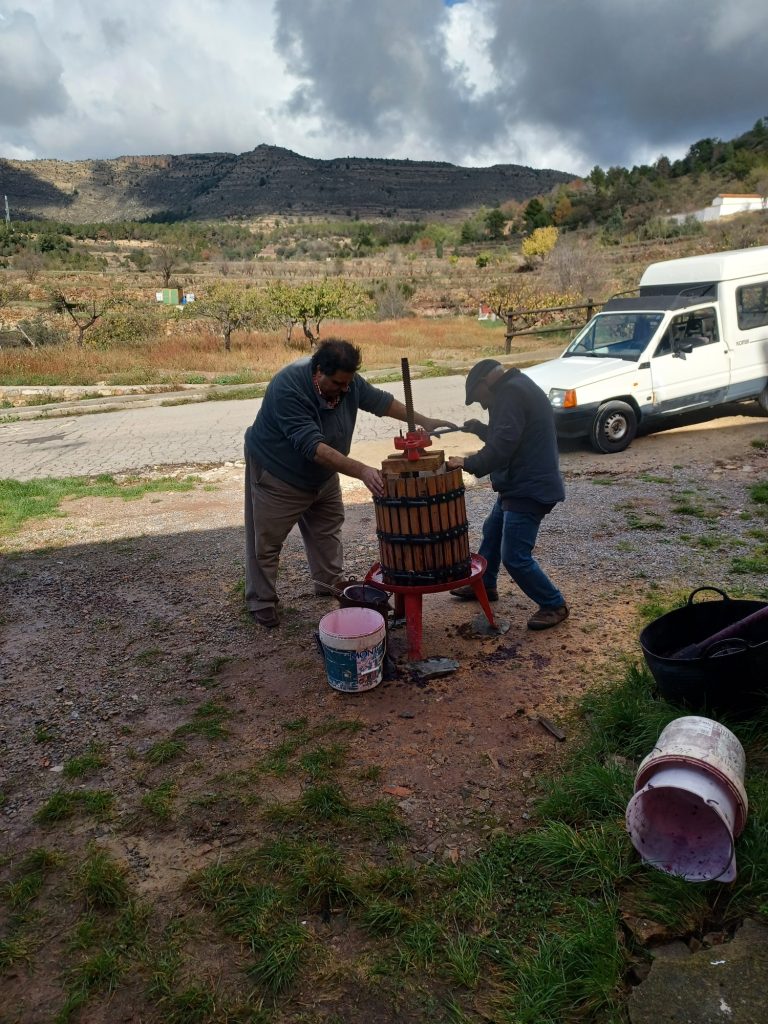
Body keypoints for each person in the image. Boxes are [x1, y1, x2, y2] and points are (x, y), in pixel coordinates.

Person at [244, 338, 457, 627]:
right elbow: (312, 447)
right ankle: (262, 601)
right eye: (338, 384)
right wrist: (362, 471)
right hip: (279, 474)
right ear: (318, 371)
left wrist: (424, 420)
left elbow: (381, 402)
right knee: (267, 541)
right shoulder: (288, 387)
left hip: (323, 472)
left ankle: (329, 584)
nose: (345, 390)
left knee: (327, 528)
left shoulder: (347, 383)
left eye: (349, 384)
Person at [446, 359, 568, 631]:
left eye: (479, 400)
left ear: (484, 383)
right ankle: (486, 585)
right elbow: (510, 435)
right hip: (520, 483)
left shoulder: (511, 393)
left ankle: (553, 603)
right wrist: (480, 428)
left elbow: (503, 446)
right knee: (492, 530)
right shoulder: (515, 387)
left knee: (514, 555)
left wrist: (468, 463)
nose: (483, 405)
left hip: (528, 487)